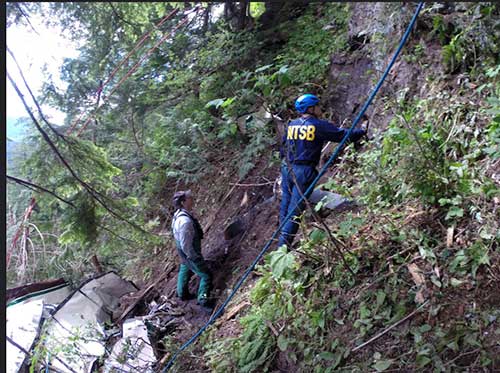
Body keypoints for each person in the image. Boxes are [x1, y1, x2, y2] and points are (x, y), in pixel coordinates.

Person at [278, 93, 366, 249]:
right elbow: (342, 135)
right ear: (310, 109)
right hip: (303, 171)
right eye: (317, 105)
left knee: (285, 206)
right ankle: (283, 249)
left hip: (287, 168)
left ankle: (279, 242)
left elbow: (283, 147)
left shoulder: (292, 125)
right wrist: (362, 131)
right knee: (295, 211)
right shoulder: (317, 125)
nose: (320, 108)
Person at [171, 190, 213, 308]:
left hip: (183, 252)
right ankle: (203, 300)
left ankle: (182, 293)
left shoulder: (177, 215)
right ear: (184, 202)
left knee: (185, 267)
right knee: (206, 275)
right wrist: (193, 256)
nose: (192, 199)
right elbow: (186, 244)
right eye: (190, 198)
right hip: (189, 252)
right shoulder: (185, 222)